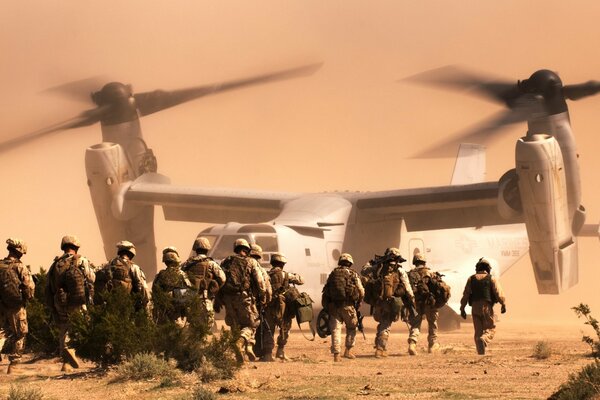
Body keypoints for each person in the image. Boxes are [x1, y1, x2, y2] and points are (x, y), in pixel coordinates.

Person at [46, 235, 95, 371]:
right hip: (77, 300)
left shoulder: (55, 264)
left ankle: (65, 363)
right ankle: (70, 353)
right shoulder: (81, 260)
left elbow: (49, 284)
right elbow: (91, 277)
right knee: (78, 327)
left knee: (63, 328)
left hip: (59, 301)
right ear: (76, 247)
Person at [361, 248, 415, 358]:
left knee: (382, 324)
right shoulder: (399, 270)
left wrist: (372, 263)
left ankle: (379, 347)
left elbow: (363, 271)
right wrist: (412, 299)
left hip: (378, 302)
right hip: (391, 302)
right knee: (386, 325)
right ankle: (380, 349)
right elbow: (407, 286)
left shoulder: (378, 267)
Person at [218, 238, 266, 362]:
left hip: (228, 298)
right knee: (251, 324)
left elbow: (220, 280)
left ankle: (240, 355)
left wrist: (219, 299)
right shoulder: (251, 262)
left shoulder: (225, 262)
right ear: (247, 249)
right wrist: (263, 297)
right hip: (244, 298)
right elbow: (260, 281)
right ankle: (241, 342)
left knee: (235, 326)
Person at [459, 257, 507, 355]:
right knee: (490, 329)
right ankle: (484, 340)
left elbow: (466, 294)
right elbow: (498, 293)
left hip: (474, 307)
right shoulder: (491, 278)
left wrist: (462, 308)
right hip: (486, 306)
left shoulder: (471, 279)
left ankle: (480, 354)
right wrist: (503, 304)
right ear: (488, 268)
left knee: (478, 331)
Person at [262, 252, 304, 362]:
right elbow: (301, 280)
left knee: (269, 330)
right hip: (283, 308)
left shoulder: (265, 274)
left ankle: (267, 355)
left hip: (269, 307)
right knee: (285, 328)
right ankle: (280, 352)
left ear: (272, 263)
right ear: (282, 264)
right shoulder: (286, 275)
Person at [322, 253, 364, 362]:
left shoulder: (333, 274)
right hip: (348, 306)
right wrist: (360, 301)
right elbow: (361, 290)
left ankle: (336, 355)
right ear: (350, 263)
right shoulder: (353, 274)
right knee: (351, 327)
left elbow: (326, 289)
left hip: (334, 306)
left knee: (336, 330)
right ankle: (348, 351)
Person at [0, 238, 34, 372]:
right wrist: (28, 297)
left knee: (0, 332)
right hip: (16, 306)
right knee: (20, 333)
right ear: (19, 251)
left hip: (1, 304)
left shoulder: (0, 265)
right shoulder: (20, 266)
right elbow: (29, 287)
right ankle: (13, 366)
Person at [180, 237, 225, 330]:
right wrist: (213, 289)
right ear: (207, 249)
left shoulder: (186, 264)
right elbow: (223, 278)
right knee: (205, 328)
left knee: (193, 327)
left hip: (190, 299)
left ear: (195, 249)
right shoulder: (211, 264)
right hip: (205, 298)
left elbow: (179, 279)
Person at [95, 241, 151, 312]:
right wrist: (144, 304)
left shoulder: (108, 265)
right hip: (127, 306)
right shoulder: (133, 267)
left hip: (110, 305)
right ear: (131, 253)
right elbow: (142, 286)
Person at [407, 254, 441, 355]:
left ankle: (412, 344)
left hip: (416, 303)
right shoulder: (430, 273)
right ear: (424, 262)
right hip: (430, 303)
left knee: (415, 324)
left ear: (414, 262)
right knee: (432, 324)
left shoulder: (410, 274)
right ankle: (432, 345)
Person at [152, 247, 192, 325]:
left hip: (163, 308)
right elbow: (188, 291)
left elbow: (154, 290)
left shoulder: (161, 274)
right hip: (176, 308)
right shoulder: (181, 274)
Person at [248, 244, 273, 360]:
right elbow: (266, 287)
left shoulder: (241, 265)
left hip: (242, 301)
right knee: (261, 326)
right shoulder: (259, 268)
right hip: (256, 302)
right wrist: (265, 301)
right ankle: (266, 354)